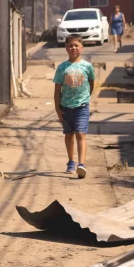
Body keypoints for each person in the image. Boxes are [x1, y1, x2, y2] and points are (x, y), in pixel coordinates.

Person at [53, 36, 95, 177]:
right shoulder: (62, 68)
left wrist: (85, 98)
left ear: (82, 48)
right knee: (69, 134)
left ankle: (81, 164)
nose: (73, 48)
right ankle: (71, 161)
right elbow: (57, 90)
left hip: (82, 107)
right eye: (70, 46)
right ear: (66, 48)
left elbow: (91, 84)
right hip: (66, 107)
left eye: (76, 45)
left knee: (80, 134)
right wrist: (58, 109)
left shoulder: (87, 67)